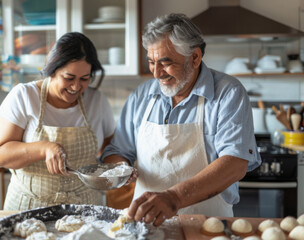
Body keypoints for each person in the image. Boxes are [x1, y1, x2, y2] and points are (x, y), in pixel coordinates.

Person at [100, 13, 261, 226]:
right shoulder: (141, 96)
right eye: (151, 62)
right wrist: (122, 168)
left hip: (207, 224)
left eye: (165, 63)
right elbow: (117, 152)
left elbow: (235, 163)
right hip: (146, 223)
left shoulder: (228, 93)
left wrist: (174, 197)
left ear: (194, 58)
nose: (157, 73)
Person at [0, 32, 115, 211]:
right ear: (52, 70)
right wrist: (45, 148)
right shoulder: (24, 96)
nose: (76, 87)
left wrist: (118, 169)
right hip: (28, 207)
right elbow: (1, 156)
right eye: (68, 78)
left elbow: (110, 148)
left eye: (84, 79)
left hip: (85, 207)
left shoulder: (96, 101)